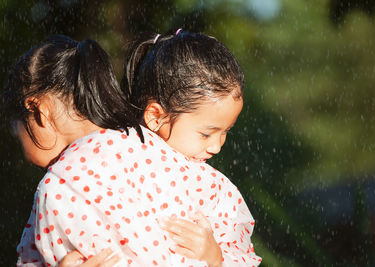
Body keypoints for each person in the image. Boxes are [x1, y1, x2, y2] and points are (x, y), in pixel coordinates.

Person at [7, 32, 260, 267]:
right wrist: (216, 258)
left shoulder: (58, 186)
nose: (216, 146)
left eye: (15, 132)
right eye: (207, 133)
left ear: (38, 110)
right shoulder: (184, 172)